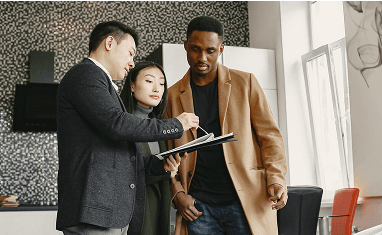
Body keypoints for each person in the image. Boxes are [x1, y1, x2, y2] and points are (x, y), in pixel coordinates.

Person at [56, 21, 199, 235]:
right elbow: (118, 124)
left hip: (107, 212)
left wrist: (161, 166)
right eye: (130, 53)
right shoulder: (86, 75)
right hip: (95, 209)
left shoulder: (101, 83)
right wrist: (177, 124)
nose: (132, 63)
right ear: (110, 42)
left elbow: (123, 158)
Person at [166, 16, 288, 235]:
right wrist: (177, 193)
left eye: (210, 51)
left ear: (221, 49)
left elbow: (270, 137)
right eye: (195, 49)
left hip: (246, 200)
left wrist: (277, 178)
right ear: (185, 46)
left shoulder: (246, 83)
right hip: (198, 207)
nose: (202, 57)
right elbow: (167, 152)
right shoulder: (172, 96)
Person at [120, 61, 175, 235]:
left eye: (161, 83)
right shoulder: (122, 124)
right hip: (134, 210)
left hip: (160, 205)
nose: (157, 89)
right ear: (132, 85)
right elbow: (125, 173)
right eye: (150, 81)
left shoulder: (159, 126)